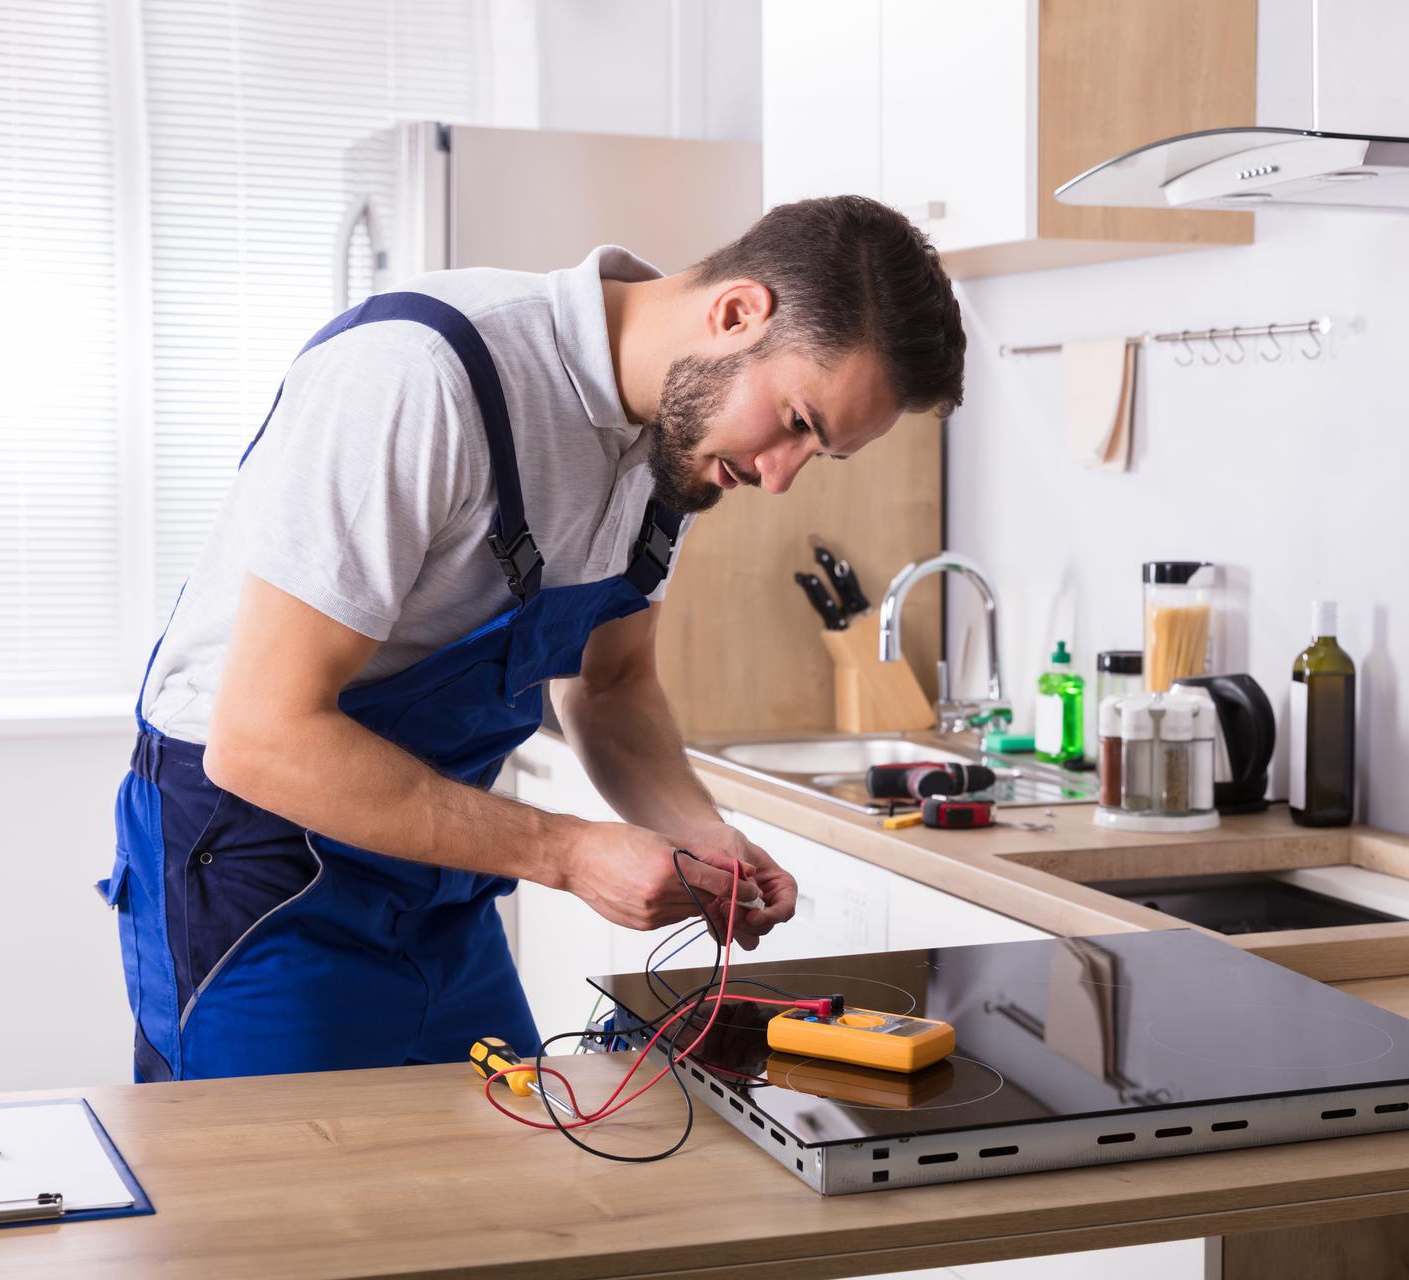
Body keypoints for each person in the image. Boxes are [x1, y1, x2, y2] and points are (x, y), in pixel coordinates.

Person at [100, 195, 967, 1081]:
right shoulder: (419, 375)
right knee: (282, 1211)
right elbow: (261, 739)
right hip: (258, 867)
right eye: (797, 424)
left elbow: (613, 686)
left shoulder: (674, 443)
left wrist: (703, 836)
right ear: (737, 313)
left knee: (509, 1181)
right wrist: (568, 852)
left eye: (819, 454)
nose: (780, 479)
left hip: (436, 879)